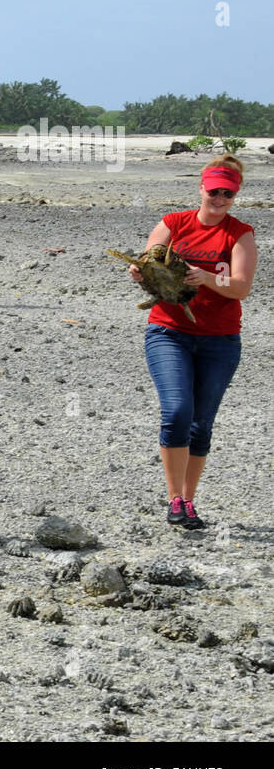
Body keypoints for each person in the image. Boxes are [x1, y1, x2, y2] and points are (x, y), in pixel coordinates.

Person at [125, 154, 255, 530]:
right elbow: (148, 260)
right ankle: (174, 498)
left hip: (220, 341)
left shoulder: (240, 233)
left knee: (201, 425)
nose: (220, 199)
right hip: (169, 332)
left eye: (228, 194)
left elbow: (242, 287)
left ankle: (189, 500)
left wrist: (207, 278)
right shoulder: (174, 223)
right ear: (201, 188)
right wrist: (138, 270)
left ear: (235, 195)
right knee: (177, 411)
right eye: (214, 191)